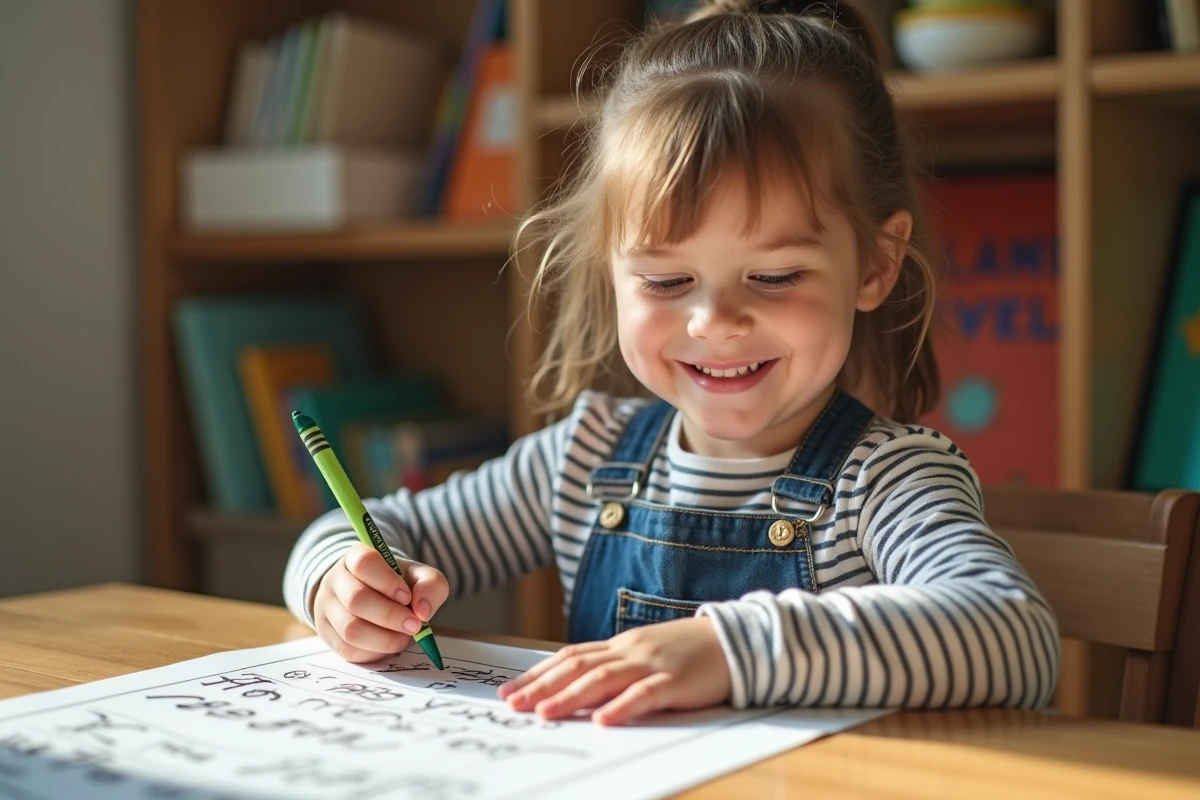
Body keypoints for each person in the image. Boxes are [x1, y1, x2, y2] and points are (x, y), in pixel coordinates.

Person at [283, 0, 1060, 726]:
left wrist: (731, 650)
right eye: (666, 281)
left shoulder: (885, 482)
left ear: (873, 266)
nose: (716, 321)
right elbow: (367, 527)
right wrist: (341, 585)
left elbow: (1014, 634)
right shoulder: (584, 460)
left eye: (776, 275)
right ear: (612, 275)